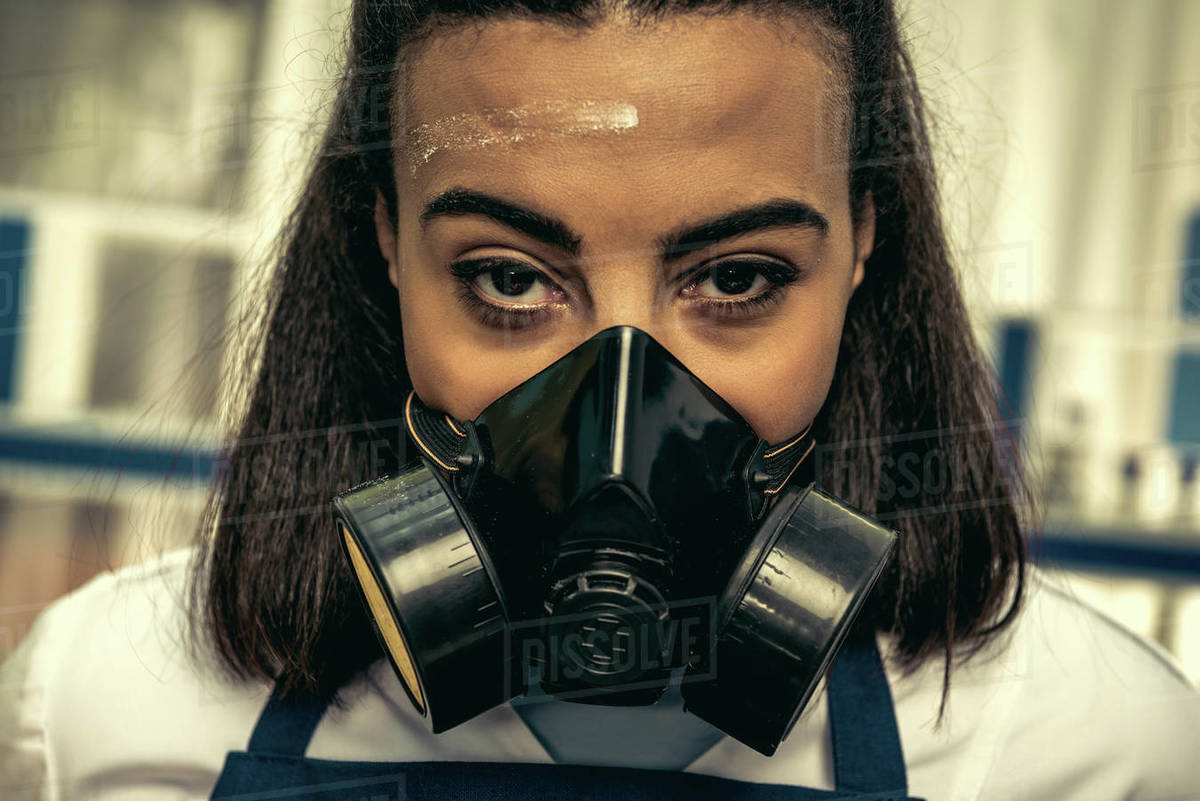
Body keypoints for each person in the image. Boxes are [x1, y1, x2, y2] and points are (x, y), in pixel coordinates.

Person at [2, 1, 1198, 799]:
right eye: (510, 279)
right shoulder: (109, 699)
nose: (617, 422)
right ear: (385, 241)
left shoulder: (1095, 748)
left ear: (862, 244)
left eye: (736, 278)